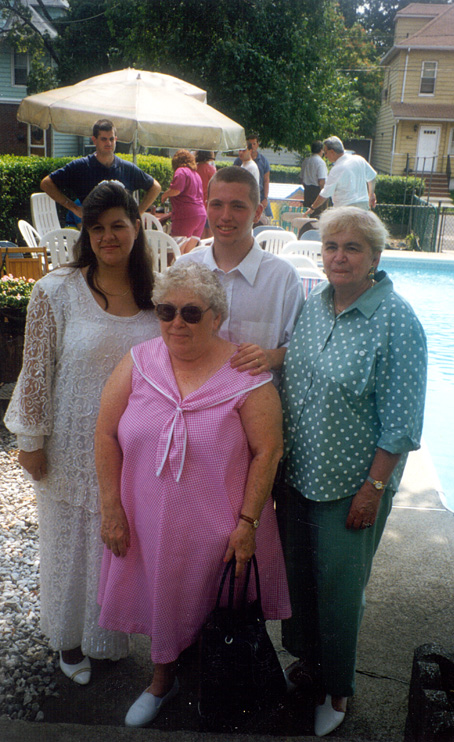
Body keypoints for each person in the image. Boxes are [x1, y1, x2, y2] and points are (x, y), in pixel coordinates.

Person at [96, 261, 291, 727]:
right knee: (162, 596)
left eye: (190, 313)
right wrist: (111, 508)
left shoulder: (244, 372)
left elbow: (269, 450)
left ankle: (220, 684)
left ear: (217, 316)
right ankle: (162, 681)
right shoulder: (140, 360)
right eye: (165, 312)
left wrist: (247, 525)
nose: (176, 323)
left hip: (222, 525)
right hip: (149, 520)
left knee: (220, 611)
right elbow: (105, 434)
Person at [276, 207, 427, 736]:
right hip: (297, 475)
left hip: (351, 485)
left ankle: (339, 692)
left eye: (353, 248)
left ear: (375, 257)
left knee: (340, 593)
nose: (339, 256)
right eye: (331, 246)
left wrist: (374, 489)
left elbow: (402, 424)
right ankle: (310, 665)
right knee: (299, 584)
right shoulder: (315, 305)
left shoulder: (397, 320)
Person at [4, 182, 160, 685]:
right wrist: (31, 440)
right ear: (85, 236)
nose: (108, 236)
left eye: (119, 224)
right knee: (70, 546)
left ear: (137, 227)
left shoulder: (157, 298)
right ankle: (69, 643)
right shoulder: (56, 290)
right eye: (97, 228)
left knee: (116, 546)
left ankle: (107, 638)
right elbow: (36, 371)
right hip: (70, 443)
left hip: (133, 449)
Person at [176, 166, 304, 382]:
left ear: (257, 212)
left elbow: (300, 346)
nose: (225, 216)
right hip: (192, 393)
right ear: (206, 207)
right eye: (217, 205)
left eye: (237, 206)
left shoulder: (283, 278)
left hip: (255, 403)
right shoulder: (184, 269)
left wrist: (271, 356)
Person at [41, 119, 161, 220]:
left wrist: (137, 213)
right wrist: (73, 208)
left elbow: (155, 187)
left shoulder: (126, 168)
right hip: (92, 232)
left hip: (121, 233)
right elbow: (46, 183)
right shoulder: (81, 167)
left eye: (111, 139)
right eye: (104, 139)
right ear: (94, 140)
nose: (108, 143)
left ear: (116, 140)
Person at [305, 137, 377, 216]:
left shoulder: (337, 169)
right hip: (363, 208)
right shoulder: (360, 159)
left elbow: (325, 193)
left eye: (326, 152)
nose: (325, 156)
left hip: (345, 211)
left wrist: (312, 208)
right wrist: (371, 194)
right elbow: (372, 177)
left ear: (332, 152)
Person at [160, 149, 207, 240]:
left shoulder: (181, 171)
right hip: (201, 214)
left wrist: (165, 194)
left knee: (177, 250)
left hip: (186, 216)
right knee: (189, 251)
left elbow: (176, 190)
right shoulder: (196, 174)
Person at [234, 134, 272, 217]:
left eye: (243, 150)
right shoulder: (240, 162)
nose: (240, 152)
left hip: (257, 197)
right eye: (239, 150)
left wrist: (265, 198)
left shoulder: (261, 162)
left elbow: (266, 180)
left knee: (266, 218)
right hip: (246, 201)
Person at [300, 140, 328, 212]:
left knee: (308, 213)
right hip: (317, 192)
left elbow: (302, 179)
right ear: (321, 150)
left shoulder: (306, 161)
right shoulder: (320, 162)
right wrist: (324, 195)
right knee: (319, 215)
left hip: (307, 191)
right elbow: (321, 181)